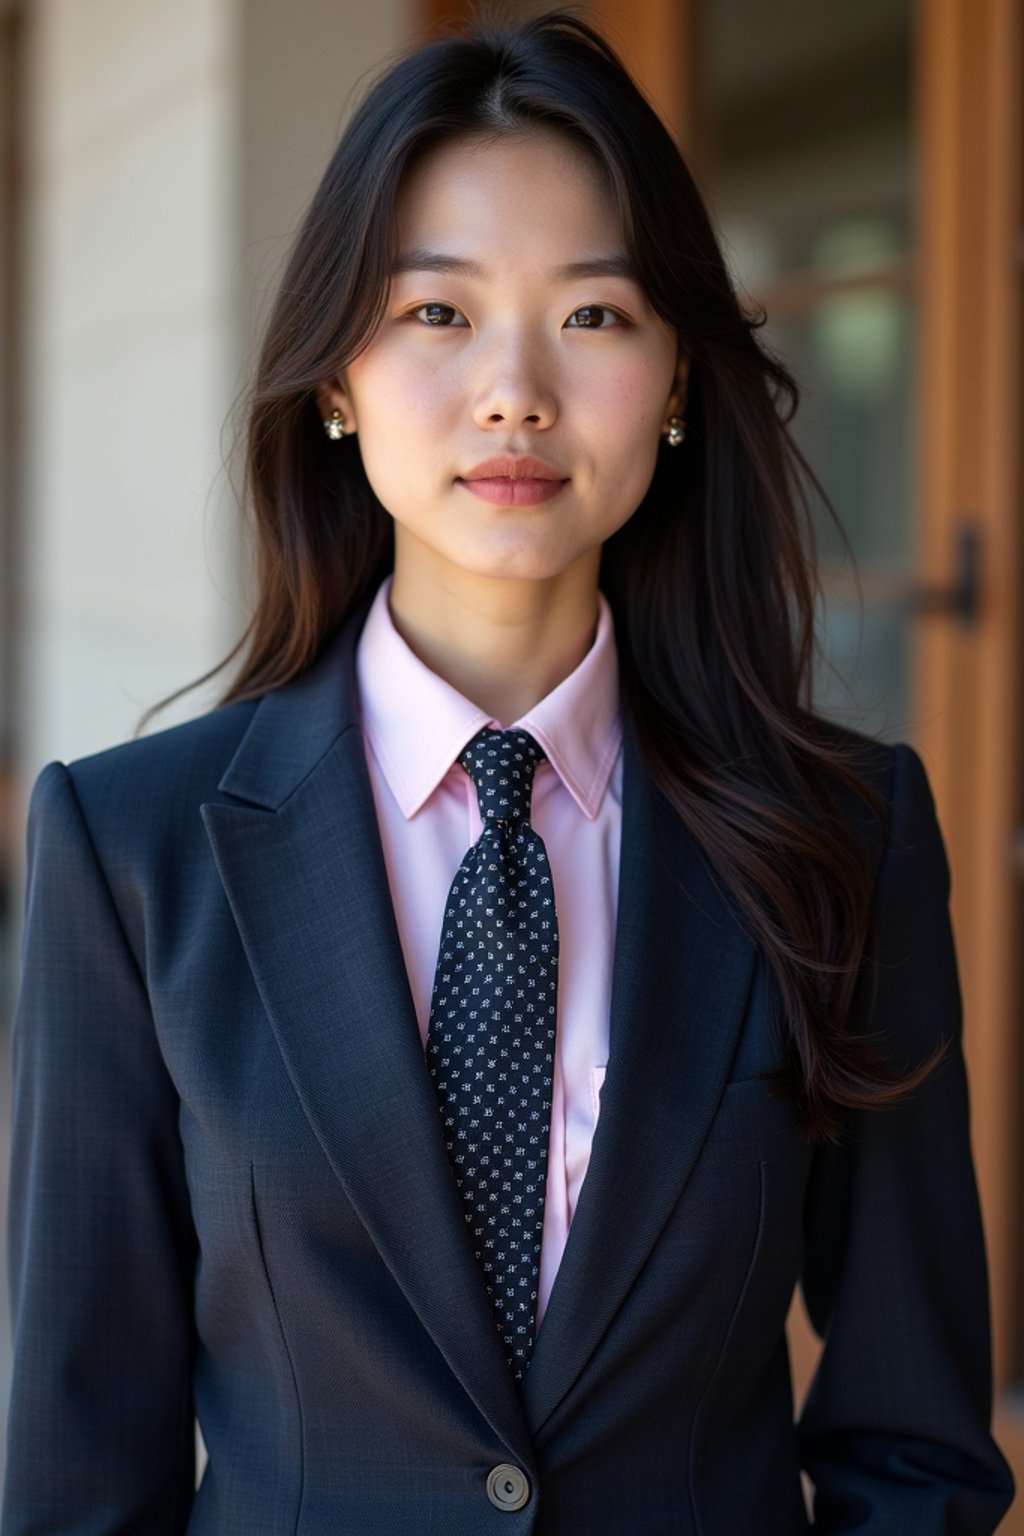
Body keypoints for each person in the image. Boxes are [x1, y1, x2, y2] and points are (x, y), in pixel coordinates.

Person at [2, 9, 1015, 1533]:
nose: (515, 391)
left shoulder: (845, 839)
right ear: (336, 378)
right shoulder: (132, 851)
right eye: (436, 313)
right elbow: (81, 1468)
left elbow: (914, 1449)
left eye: (595, 315)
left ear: (679, 377)